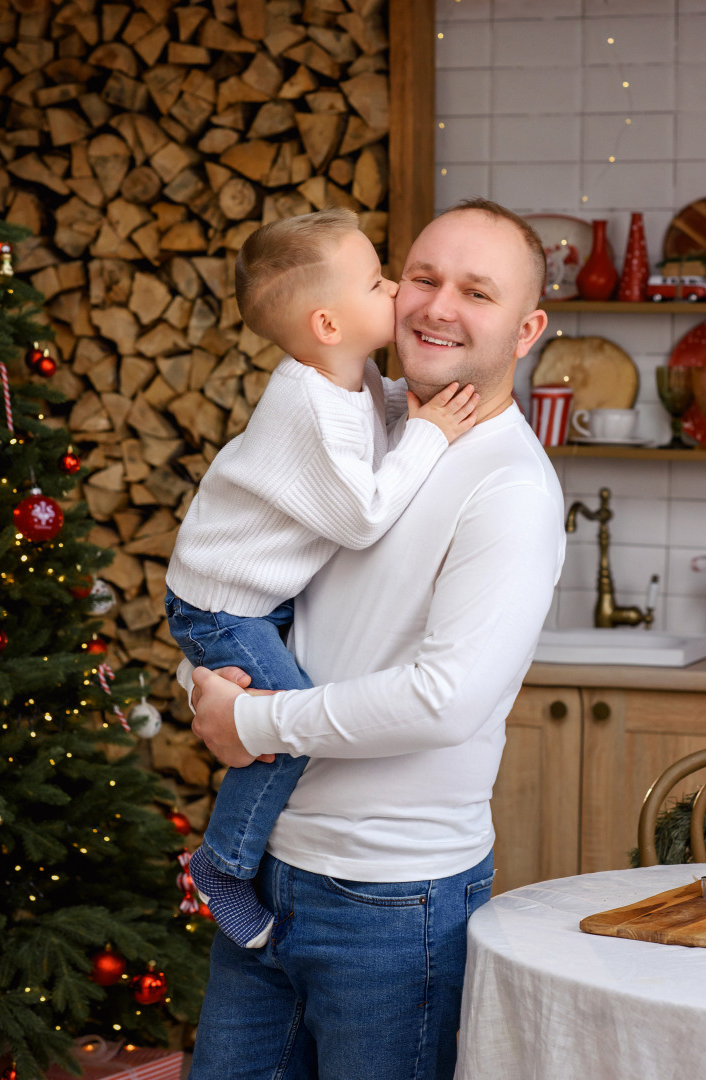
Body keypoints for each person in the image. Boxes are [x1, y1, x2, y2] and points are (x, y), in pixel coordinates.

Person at [184, 198, 567, 1080]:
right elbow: (243, 576)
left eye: (477, 292)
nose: (436, 306)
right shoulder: (351, 418)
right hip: (269, 872)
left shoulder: (510, 486)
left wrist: (256, 725)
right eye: (422, 278)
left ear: (526, 328)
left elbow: (447, 699)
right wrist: (204, 682)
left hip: (392, 901)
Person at [164, 208, 479, 949]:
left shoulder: (351, 375)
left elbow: (380, 417)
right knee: (288, 727)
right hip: (223, 607)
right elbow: (366, 512)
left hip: (250, 599)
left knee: (272, 720)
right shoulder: (304, 406)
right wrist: (433, 433)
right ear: (329, 324)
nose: (397, 287)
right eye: (378, 281)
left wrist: (418, 410)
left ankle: (233, 857)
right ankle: (221, 865)